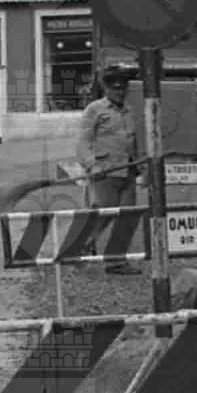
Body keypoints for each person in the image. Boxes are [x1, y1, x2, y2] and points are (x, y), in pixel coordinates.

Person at [76, 67, 141, 270]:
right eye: (116, 89)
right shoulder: (94, 110)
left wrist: (141, 165)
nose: (120, 92)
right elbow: (83, 143)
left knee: (128, 216)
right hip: (104, 173)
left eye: (123, 89)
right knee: (103, 214)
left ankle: (116, 260)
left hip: (127, 170)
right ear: (106, 89)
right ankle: (80, 247)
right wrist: (91, 165)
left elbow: (133, 141)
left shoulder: (129, 110)